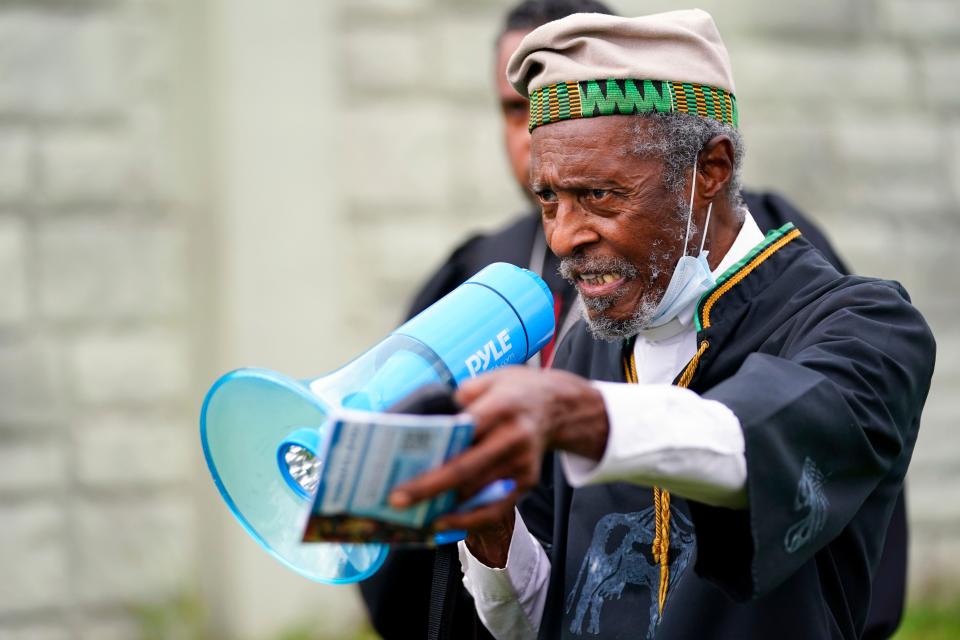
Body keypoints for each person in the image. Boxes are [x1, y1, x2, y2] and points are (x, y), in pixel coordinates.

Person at [388, 9, 935, 640]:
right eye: (549, 198)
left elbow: (749, 441)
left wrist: (581, 417)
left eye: (599, 196)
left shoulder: (867, 328)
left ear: (711, 169)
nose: (564, 237)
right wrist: (494, 534)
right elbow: (555, 619)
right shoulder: (582, 353)